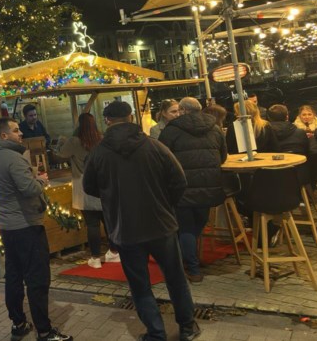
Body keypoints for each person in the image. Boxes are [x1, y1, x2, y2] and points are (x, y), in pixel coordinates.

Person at [84, 101, 200, 341]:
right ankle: (187, 327)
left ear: (107, 120)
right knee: (175, 278)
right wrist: (165, 203)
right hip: (161, 224)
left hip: (124, 229)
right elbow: (179, 180)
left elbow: (89, 187)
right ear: (131, 116)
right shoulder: (153, 146)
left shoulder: (98, 153)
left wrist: (113, 198)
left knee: (139, 285)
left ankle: (156, 333)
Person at [0, 117, 72, 341]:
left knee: (13, 275)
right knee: (37, 279)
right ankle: (44, 331)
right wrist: (40, 181)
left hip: (7, 226)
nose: (21, 134)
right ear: (4, 135)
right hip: (26, 225)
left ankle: (18, 323)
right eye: (16, 131)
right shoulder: (14, 159)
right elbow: (27, 188)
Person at [158, 97, 227, 283]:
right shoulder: (215, 128)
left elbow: (162, 160)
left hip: (182, 188)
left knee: (186, 228)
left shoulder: (171, 131)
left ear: (182, 110)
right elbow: (223, 156)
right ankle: (190, 257)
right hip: (209, 185)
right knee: (198, 223)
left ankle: (192, 268)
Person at [54, 113, 119, 269]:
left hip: (82, 184)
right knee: (108, 221)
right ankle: (114, 252)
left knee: (92, 224)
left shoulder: (74, 141)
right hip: (102, 183)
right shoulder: (101, 139)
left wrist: (59, 144)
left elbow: (59, 157)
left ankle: (95, 258)